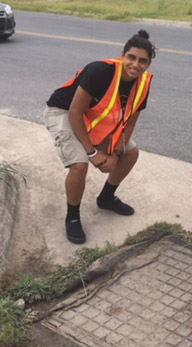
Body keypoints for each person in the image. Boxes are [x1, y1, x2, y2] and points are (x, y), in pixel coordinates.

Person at [43, 30, 155, 244]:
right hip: (64, 112)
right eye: (131, 57)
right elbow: (75, 113)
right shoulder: (100, 71)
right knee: (80, 164)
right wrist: (92, 153)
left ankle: (106, 198)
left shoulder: (143, 84)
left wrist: (116, 153)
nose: (135, 64)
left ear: (148, 64)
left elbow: (130, 121)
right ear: (122, 55)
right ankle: (73, 217)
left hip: (91, 115)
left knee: (131, 153)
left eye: (142, 61)